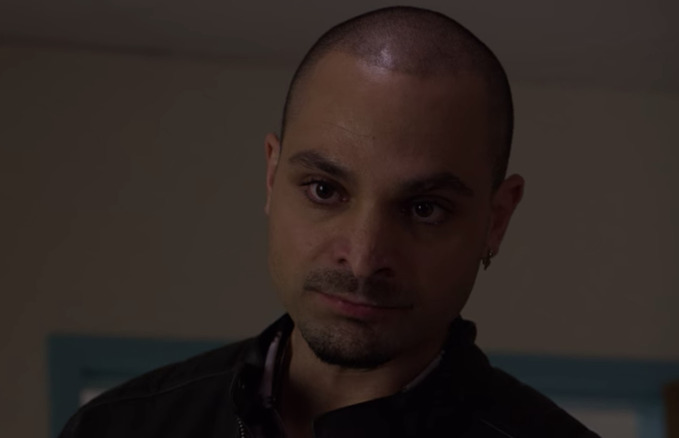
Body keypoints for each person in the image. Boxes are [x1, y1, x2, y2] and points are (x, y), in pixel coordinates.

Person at [60, 6, 599, 438]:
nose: (363, 259)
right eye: (324, 190)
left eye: (425, 208)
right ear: (272, 178)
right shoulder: (118, 427)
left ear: (496, 220)